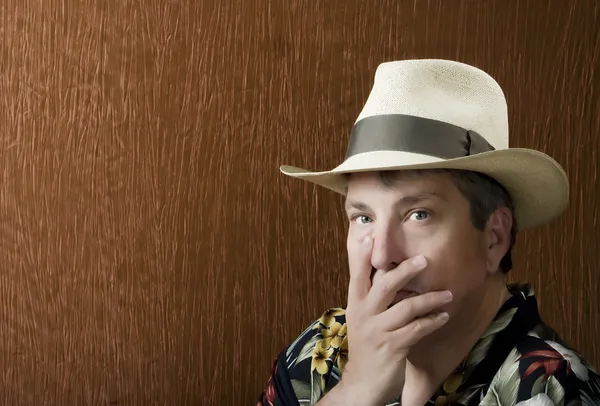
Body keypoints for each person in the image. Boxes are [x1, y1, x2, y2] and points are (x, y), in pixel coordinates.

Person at [257, 59, 600, 406]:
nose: (381, 256)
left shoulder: (550, 390)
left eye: (418, 214)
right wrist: (355, 391)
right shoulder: (318, 351)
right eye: (363, 217)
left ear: (493, 237)